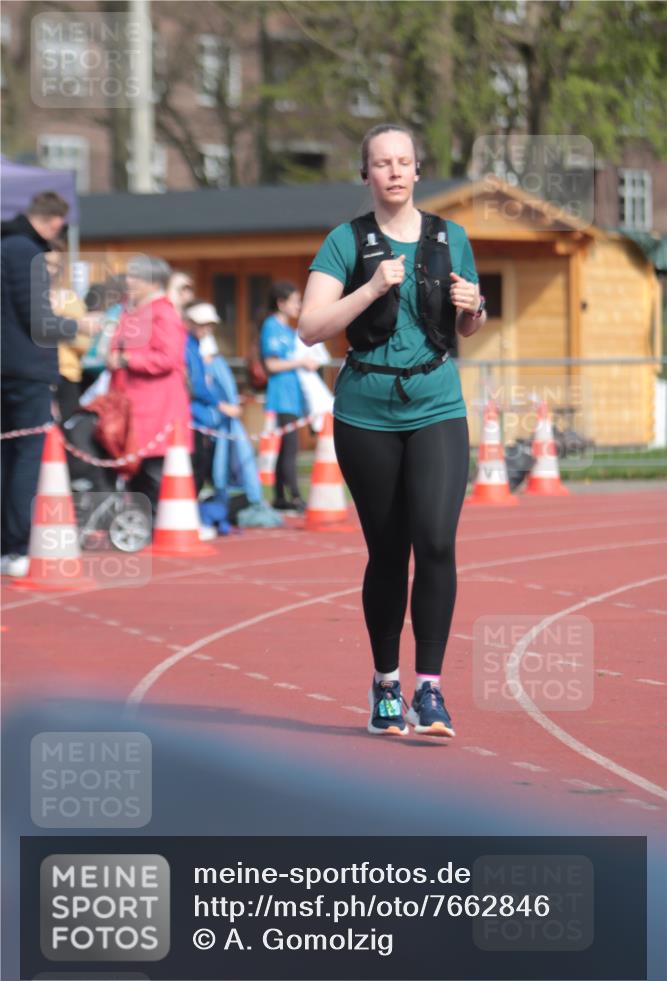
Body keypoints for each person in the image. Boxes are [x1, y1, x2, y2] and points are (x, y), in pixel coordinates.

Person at [299, 123, 486, 738]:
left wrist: (474, 308)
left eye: (404, 162)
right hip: (365, 410)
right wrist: (372, 287)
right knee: (389, 551)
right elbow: (309, 326)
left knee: (435, 540)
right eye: (383, 163)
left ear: (417, 171)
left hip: (435, 402)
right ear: (367, 175)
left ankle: (429, 690)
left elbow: (467, 329)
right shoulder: (345, 241)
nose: (395, 172)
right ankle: (385, 685)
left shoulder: (449, 237)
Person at [0, 191, 100, 577]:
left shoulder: (7, 247)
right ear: (56, 221)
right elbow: (39, 323)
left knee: (8, 457)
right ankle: (17, 544)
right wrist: (81, 325)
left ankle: (9, 544)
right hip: (26, 371)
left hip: (7, 369)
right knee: (27, 456)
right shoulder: (26, 252)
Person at [107, 256, 191, 519]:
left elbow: (169, 357)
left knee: (153, 468)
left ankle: (156, 523)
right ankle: (140, 522)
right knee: (135, 468)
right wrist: (113, 357)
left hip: (158, 405)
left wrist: (128, 359)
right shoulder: (129, 311)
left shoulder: (163, 312)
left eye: (135, 277)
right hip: (131, 402)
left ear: (152, 282)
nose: (129, 282)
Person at [185, 302, 278, 530]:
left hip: (205, 421)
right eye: (202, 324)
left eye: (209, 325)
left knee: (202, 468)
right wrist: (221, 405)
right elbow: (195, 385)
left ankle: (196, 515)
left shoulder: (196, 347)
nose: (206, 329)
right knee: (194, 469)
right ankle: (189, 517)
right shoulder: (188, 347)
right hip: (195, 421)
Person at [259, 281, 319, 514]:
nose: (299, 306)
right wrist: (301, 362)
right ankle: (293, 496)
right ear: (281, 303)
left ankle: (280, 497)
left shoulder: (290, 331)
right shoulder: (271, 326)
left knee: (287, 449)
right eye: (295, 301)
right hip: (281, 396)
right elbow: (272, 364)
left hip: (294, 397)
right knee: (290, 448)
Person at [45, 244, 90, 423]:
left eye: (53, 264)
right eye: (44, 263)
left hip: (65, 376)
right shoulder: (24, 298)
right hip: (33, 377)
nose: (49, 269)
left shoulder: (70, 300)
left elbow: (83, 344)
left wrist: (58, 325)